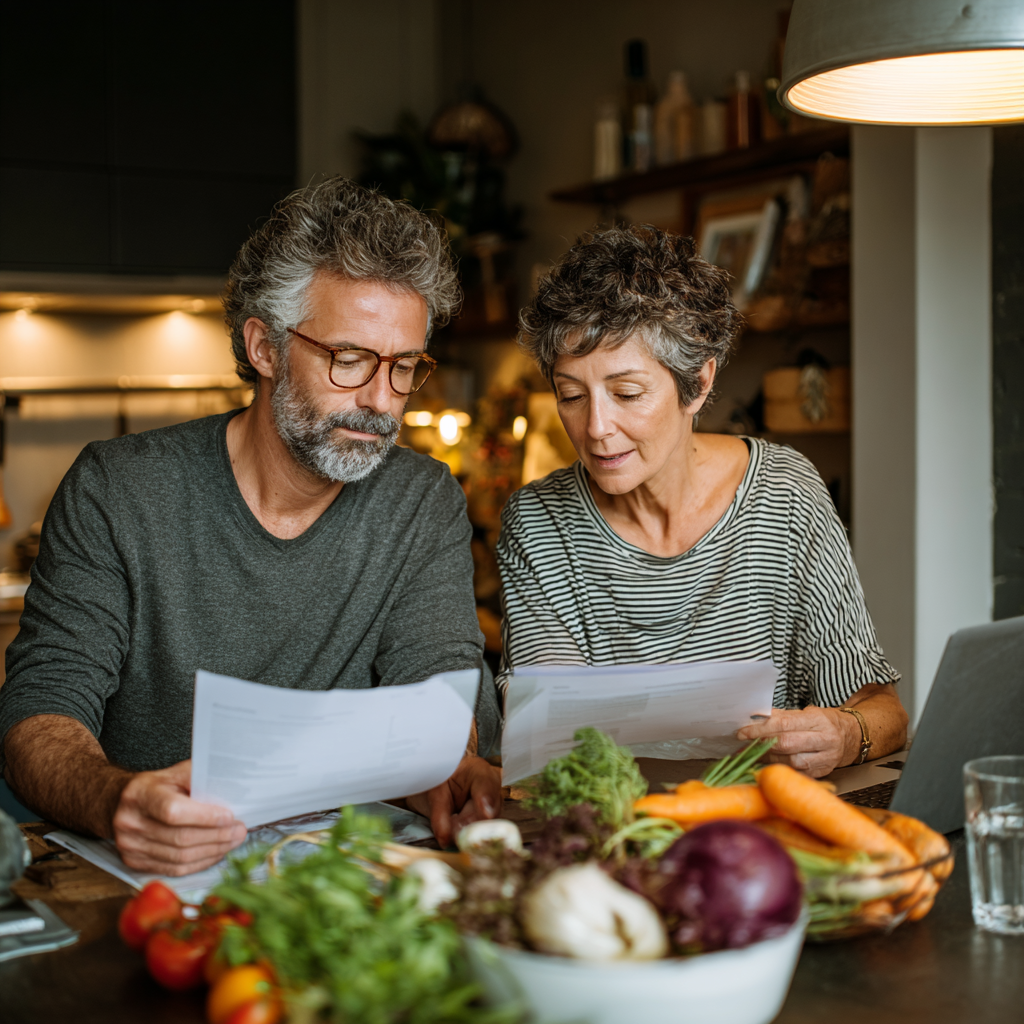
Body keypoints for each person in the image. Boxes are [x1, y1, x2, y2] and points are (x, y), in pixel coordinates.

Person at [0, 178, 502, 873]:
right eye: (350, 359)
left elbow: (438, 689)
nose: (381, 401)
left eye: (404, 367)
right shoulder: (119, 488)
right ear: (264, 347)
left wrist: (451, 762)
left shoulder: (422, 500)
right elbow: (41, 707)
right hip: (150, 880)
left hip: (350, 869)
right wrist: (117, 799)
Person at [497, 224, 907, 778]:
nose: (595, 428)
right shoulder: (539, 521)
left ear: (698, 383)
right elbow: (551, 736)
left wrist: (844, 733)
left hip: (764, 824)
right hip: (616, 832)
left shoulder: (785, 493)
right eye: (571, 395)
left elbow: (883, 712)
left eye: (627, 394)